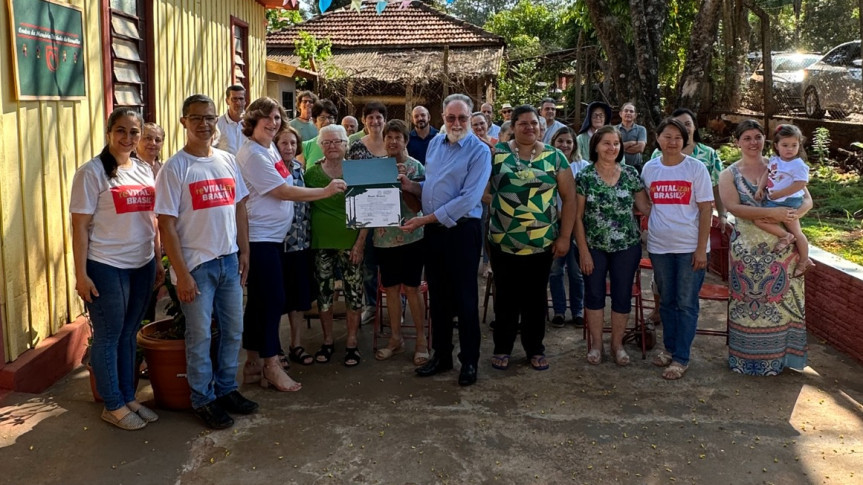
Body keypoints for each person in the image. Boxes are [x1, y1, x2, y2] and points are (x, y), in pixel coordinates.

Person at [155, 94, 258, 429]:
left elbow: (240, 207)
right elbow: (166, 223)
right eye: (196, 118)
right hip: (196, 266)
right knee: (199, 336)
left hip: (228, 261)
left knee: (233, 330)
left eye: (209, 118)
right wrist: (181, 274)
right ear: (183, 122)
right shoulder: (175, 167)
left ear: (217, 122)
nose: (204, 124)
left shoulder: (227, 161)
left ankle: (227, 388)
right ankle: (202, 398)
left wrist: (244, 251)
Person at [236, 97, 346, 392]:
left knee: (261, 302)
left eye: (276, 118)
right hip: (260, 239)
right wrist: (323, 191)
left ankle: (253, 363)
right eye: (266, 119)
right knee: (271, 301)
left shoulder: (267, 147)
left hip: (274, 239)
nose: (273, 123)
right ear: (253, 122)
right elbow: (283, 191)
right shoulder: (254, 155)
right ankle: (271, 365)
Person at [71, 108, 162, 430]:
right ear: (109, 132)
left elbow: (151, 219)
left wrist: (157, 256)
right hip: (106, 265)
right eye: (121, 131)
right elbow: (79, 227)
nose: (128, 138)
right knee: (109, 335)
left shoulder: (142, 169)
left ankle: (128, 396)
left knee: (129, 332)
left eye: (134, 132)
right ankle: (112, 403)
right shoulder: (92, 173)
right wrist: (81, 274)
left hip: (142, 264)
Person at [399, 93, 492, 386]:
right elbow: (433, 185)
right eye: (451, 117)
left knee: (465, 299)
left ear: (471, 117)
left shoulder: (479, 151)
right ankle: (441, 356)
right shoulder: (437, 143)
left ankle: (469, 362)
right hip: (435, 232)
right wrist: (411, 185)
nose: (456, 122)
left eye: (462, 118)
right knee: (438, 297)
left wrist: (425, 219)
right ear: (442, 116)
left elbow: (468, 199)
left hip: (462, 231)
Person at [718, 119, 813, 375]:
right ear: (737, 142)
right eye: (746, 137)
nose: (753, 142)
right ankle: (745, 361)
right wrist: (775, 214)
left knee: (780, 305)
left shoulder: (782, 164)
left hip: (783, 249)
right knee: (747, 305)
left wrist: (790, 214)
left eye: (757, 137)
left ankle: (781, 360)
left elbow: (807, 201)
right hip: (746, 251)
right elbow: (734, 208)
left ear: (765, 140)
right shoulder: (729, 174)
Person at [486, 105, 575, 372]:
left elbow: (569, 198)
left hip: (542, 243)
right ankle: (502, 347)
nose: (530, 128)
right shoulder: (496, 154)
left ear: (542, 126)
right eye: (523, 123)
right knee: (505, 297)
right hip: (503, 241)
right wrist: (509, 204)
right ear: (512, 126)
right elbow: (480, 189)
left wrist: (565, 236)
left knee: (535, 298)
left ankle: (535, 348)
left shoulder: (555, 157)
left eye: (534, 123)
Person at [642, 118, 714, 380]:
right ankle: (669, 349)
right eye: (667, 136)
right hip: (660, 247)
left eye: (678, 137)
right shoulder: (650, 169)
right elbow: (643, 198)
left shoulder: (696, 169)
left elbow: (706, 209)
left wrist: (700, 249)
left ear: (685, 141)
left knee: (686, 303)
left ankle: (681, 356)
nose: (672, 142)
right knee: (667, 302)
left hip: (689, 248)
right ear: (657, 138)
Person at [575, 126, 651, 366]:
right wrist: (584, 251)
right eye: (606, 143)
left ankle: (617, 345)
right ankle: (597, 344)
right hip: (594, 246)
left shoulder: (630, 174)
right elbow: (577, 217)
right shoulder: (585, 176)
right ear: (595, 145)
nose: (612, 148)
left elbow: (646, 208)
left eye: (616, 144)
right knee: (594, 294)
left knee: (622, 294)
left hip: (626, 246)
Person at [305, 125, 369, 367]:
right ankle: (328, 340)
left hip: (351, 243)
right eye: (327, 142)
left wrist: (361, 243)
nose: (332, 146)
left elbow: (367, 209)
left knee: (354, 293)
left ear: (346, 144)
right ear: (321, 146)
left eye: (337, 141)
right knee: (324, 294)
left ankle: (352, 342)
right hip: (321, 244)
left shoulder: (356, 172)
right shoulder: (310, 174)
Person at [373, 120, 429, 366]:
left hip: (412, 236)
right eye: (388, 137)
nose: (392, 142)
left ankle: (421, 340)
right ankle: (395, 339)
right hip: (384, 239)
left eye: (397, 137)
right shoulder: (375, 167)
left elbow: (419, 206)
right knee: (391, 290)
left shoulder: (416, 167)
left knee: (413, 288)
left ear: (406, 140)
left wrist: (405, 183)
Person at [274, 127, 316, 367]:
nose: (288, 147)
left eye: (292, 143)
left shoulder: (301, 169)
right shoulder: (271, 171)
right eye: (283, 143)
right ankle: (276, 348)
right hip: (278, 244)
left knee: (299, 299)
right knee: (278, 299)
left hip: (301, 244)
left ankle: (296, 345)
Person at [753, 124, 813, 277]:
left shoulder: (798, 165)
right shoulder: (774, 161)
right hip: (775, 201)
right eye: (785, 145)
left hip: (788, 202)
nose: (789, 149)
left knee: (796, 232)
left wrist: (779, 194)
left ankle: (803, 259)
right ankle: (786, 236)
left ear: (799, 145)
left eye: (794, 145)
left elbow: (800, 184)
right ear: (776, 146)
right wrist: (760, 188)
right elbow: (767, 174)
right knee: (760, 220)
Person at [548, 127, 589, 328]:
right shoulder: (546, 164)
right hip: (554, 224)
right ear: (553, 142)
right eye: (560, 141)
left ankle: (578, 310)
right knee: (555, 271)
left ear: (575, 145)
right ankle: (558, 311)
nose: (564, 145)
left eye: (569, 142)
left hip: (577, 226)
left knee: (575, 272)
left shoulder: (583, 167)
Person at [298, 99, 339, 167]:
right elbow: (299, 175)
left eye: (330, 117)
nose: (327, 121)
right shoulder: (306, 146)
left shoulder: (343, 144)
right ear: (314, 121)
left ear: (335, 120)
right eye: (322, 117)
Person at [213, 84, 246, 155]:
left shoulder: (253, 124)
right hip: (225, 165)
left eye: (241, 99)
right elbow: (211, 150)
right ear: (227, 101)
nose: (238, 103)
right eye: (234, 99)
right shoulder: (217, 124)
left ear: (245, 101)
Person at [616, 102, 647, 170]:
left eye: (631, 111)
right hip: (617, 166)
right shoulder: (614, 129)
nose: (628, 113)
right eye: (626, 111)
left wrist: (620, 148)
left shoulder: (641, 129)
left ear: (635, 115)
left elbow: (640, 148)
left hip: (636, 167)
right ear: (620, 114)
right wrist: (630, 143)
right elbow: (613, 147)